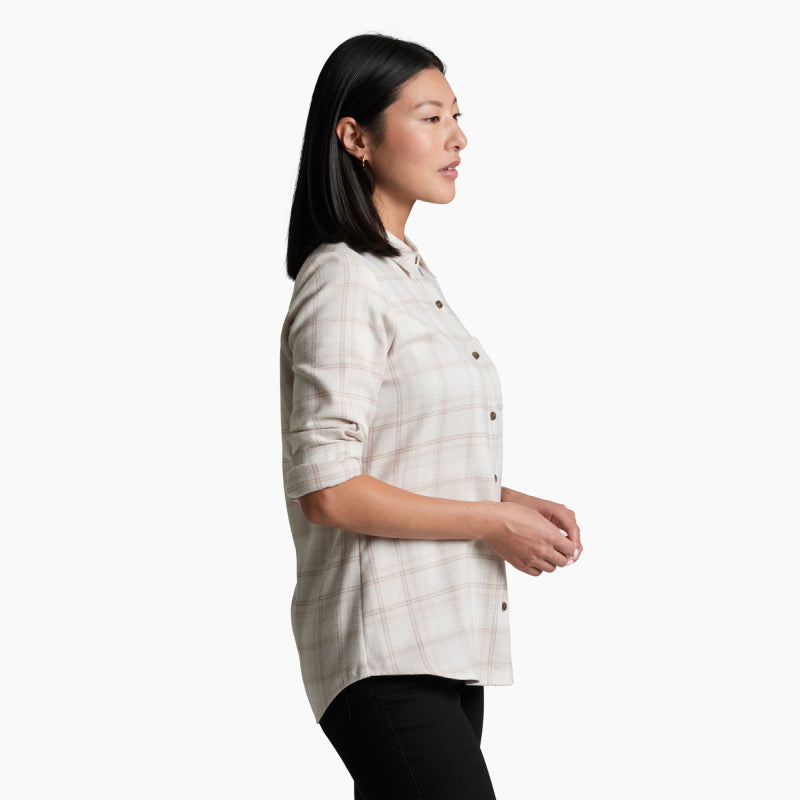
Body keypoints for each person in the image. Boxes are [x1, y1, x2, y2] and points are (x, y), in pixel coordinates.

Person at [280, 33, 582, 800]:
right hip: (384, 644)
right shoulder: (343, 279)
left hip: (442, 642)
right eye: (430, 117)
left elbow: (398, 454)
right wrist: (490, 521)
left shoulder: (403, 272)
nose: (458, 138)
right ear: (355, 137)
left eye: (456, 116)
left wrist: (508, 502)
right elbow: (329, 490)